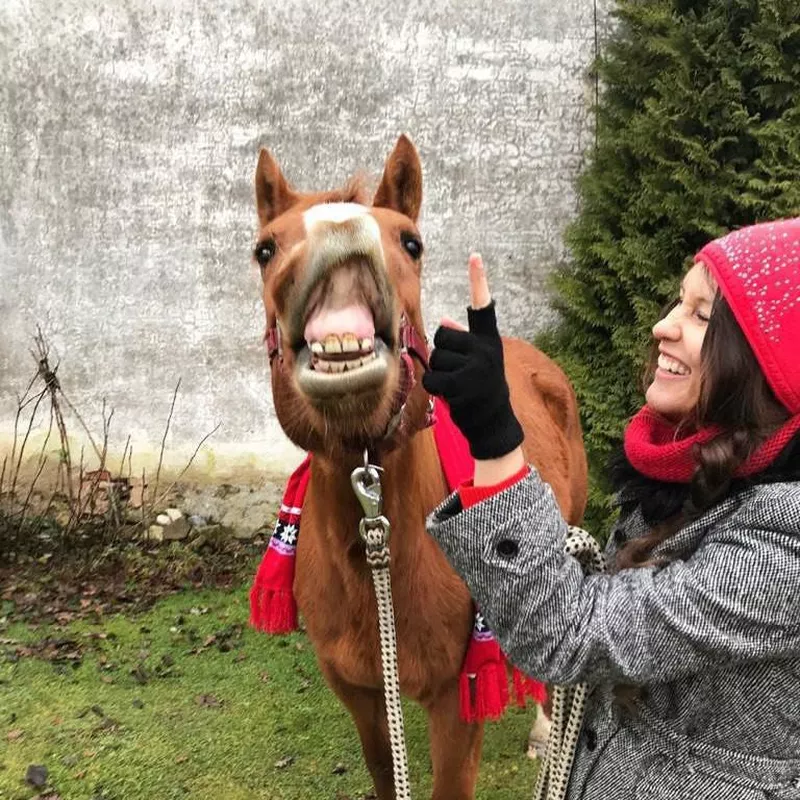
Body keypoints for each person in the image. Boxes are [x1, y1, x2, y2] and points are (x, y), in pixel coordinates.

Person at [422, 218, 800, 800]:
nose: (662, 327)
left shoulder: (784, 548)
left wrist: (496, 439)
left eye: (701, 317)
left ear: (775, 364)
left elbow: (569, 631)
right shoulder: (702, 480)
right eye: (679, 302)